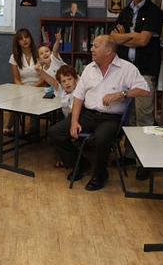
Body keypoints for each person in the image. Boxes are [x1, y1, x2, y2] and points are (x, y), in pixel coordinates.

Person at [48, 35, 149, 191]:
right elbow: (79, 97)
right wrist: (74, 121)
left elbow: (145, 91)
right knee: (56, 132)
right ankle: (80, 164)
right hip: (87, 114)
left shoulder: (127, 68)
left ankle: (100, 174)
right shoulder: (89, 69)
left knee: (100, 139)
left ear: (108, 50)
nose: (91, 49)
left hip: (111, 118)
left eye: (95, 46)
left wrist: (120, 94)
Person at [110, 0, 163, 181]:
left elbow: (143, 41)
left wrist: (126, 38)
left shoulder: (154, 12)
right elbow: (114, 39)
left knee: (144, 116)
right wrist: (130, 36)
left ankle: (145, 162)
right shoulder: (125, 12)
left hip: (145, 71)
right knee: (129, 116)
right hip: (126, 71)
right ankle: (131, 155)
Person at [3, 28, 45, 136]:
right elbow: (16, 79)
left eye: (26, 37)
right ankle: (8, 125)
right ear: (18, 42)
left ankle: (33, 126)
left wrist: (33, 88)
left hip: (39, 87)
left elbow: (45, 77)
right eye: (21, 39)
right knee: (16, 98)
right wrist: (23, 90)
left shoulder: (39, 54)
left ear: (30, 38)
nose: (24, 40)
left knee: (34, 98)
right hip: (22, 86)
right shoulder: (14, 57)